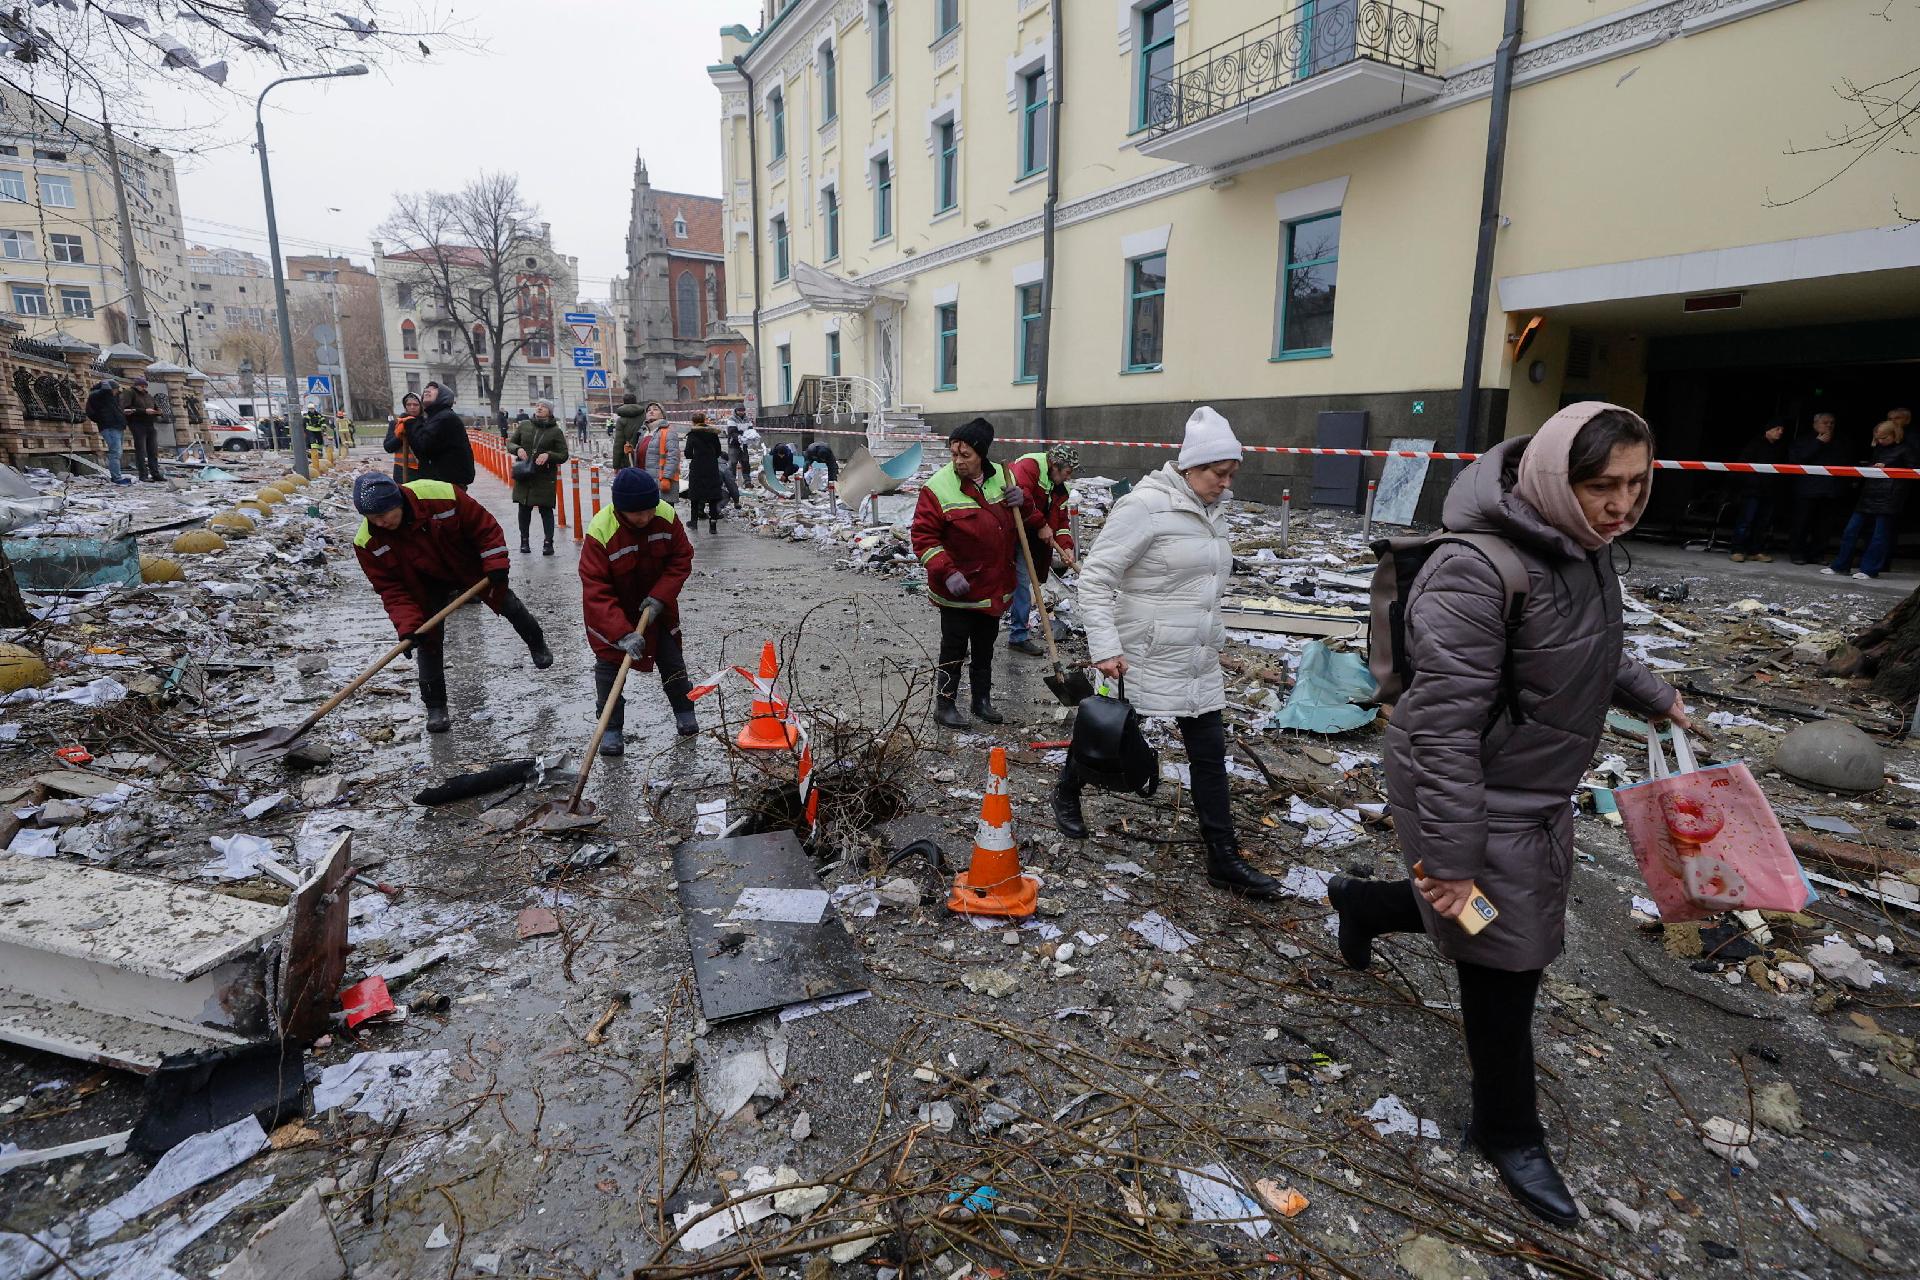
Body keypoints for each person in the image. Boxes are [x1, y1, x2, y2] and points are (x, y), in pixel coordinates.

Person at [1326, 401, 1689, 1227]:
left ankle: (1363, 902)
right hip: (1468, 794)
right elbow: (1437, 731)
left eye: (1637, 485)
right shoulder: (1476, 571)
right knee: (1504, 955)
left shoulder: (1584, 549)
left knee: (1485, 921)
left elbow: (1588, 644)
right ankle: (1505, 1130)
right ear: (1559, 480)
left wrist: (1656, 698)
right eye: (1603, 486)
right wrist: (1451, 857)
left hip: (1533, 788)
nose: (1622, 506)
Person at [1059, 407, 1280, 899]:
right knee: (1110, 733)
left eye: (1230, 475)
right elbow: (1096, 578)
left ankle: (1223, 857)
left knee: (1209, 756)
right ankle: (1067, 791)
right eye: (1218, 474)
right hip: (1140, 652)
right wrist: (1105, 647)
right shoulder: (1143, 507)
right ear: (1190, 467)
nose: (1226, 484)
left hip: (1197, 655)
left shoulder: (1213, 512)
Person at [351, 472, 552, 734]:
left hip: (465, 564)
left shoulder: (440, 494)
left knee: (507, 603)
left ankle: (537, 644)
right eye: (372, 518)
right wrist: (408, 627)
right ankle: (436, 708)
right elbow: (392, 590)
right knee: (426, 639)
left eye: (384, 514)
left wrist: (496, 565)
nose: (380, 522)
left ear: (397, 500)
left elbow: (485, 528)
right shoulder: (367, 541)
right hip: (422, 584)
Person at [578, 467, 700, 754]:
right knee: (609, 671)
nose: (645, 518)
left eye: (649, 510)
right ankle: (610, 728)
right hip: (612, 615)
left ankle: (685, 712)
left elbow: (681, 559)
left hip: (657, 610)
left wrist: (660, 597)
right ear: (621, 509)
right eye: (637, 513)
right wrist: (622, 633)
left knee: (672, 663)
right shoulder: (601, 531)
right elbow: (596, 590)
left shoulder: (665, 516)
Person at [910, 418, 1020, 729]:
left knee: (985, 648)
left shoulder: (1003, 477)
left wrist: (1021, 502)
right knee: (954, 649)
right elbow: (923, 537)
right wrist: (946, 571)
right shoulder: (937, 488)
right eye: (954, 454)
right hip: (957, 590)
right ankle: (944, 705)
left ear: (982, 455)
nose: (958, 461)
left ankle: (981, 701)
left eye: (965, 455)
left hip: (992, 585)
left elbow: (1020, 522)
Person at [1006, 444, 1081, 656]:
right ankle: (1009, 634)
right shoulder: (1029, 467)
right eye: (1067, 472)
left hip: (1029, 534)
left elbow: (1061, 520)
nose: (1068, 478)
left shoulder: (1059, 488)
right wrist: (1041, 525)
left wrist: (1066, 546)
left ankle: (1017, 634)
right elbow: (1022, 499)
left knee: (1022, 582)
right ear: (1055, 465)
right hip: (1010, 530)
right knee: (1012, 582)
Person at [1825, 419, 1914, 580]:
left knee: (1879, 535)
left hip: (1890, 497)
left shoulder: (1906, 450)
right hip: (1869, 494)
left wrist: (1888, 468)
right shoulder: (1879, 449)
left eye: (1884, 438)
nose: (1880, 441)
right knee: (1850, 531)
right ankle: (1841, 565)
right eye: (1878, 438)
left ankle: (1869, 569)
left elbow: (1912, 472)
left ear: (1895, 435)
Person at [509, 399, 570, 555]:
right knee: (524, 508)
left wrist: (548, 455)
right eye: (537, 405)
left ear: (549, 411)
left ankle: (548, 543)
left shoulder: (555, 431)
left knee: (546, 509)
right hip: (524, 474)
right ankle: (524, 542)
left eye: (543, 406)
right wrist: (517, 449)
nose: (539, 407)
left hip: (544, 476)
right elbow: (510, 443)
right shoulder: (524, 425)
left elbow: (563, 455)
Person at [1788, 412, 1847, 564]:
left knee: (1824, 526)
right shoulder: (1803, 440)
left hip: (1829, 490)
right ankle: (1797, 553)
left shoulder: (1839, 441)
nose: (1829, 426)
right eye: (1825, 422)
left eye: (1832, 423)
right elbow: (1797, 460)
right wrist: (1818, 443)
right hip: (1807, 490)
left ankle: (1817, 554)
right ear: (1815, 424)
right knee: (1801, 523)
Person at [1727, 419, 1787, 563]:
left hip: (1769, 492)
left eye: (1782, 429)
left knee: (1762, 523)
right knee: (1745, 522)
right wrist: (1753, 483)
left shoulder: (1780, 448)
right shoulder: (1754, 445)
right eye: (1777, 428)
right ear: (1768, 430)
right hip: (1753, 491)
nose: (1780, 432)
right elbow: (1742, 467)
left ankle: (1755, 550)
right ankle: (1737, 550)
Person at [408, 381, 476, 487]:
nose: (427, 390)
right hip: (441, 481)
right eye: (426, 388)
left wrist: (411, 423)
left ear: (444, 395)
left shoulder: (445, 417)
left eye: (434, 388)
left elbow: (422, 446)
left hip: (448, 483)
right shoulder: (434, 417)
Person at [681, 411, 726, 534]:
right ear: (705, 420)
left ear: (693, 422)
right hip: (711, 467)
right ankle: (713, 525)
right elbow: (718, 451)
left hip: (697, 467)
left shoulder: (692, 435)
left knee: (695, 496)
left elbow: (688, 453)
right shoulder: (713, 434)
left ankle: (694, 522)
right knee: (712, 496)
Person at [85, 376, 131, 486]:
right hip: (109, 427)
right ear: (110, 389)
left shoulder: (111, 398)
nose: (117, 392)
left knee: (117, 452)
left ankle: (117, 476)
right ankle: (116, 477)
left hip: (117, 426)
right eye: (115, 389)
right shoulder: (99, 395)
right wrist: (103, 420)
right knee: (115, 452)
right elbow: (92, 412)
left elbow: (113, 410)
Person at [121, 375, 163, 482]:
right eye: (142, 386)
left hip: (150, 424)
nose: (144, 388)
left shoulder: (148, 396)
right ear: (136, 385)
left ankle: (155, 473)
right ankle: (143, 475)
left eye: (145, 386)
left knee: (153, 450)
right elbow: (126, 409)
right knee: (141, 450)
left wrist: (158, 412)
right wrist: (144, 411)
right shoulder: (129, 393)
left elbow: (155, 407)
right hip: (137, 424)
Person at [640, 403, 681, 494]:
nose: (651, 411)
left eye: (655, 409)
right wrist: (632, 452)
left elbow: (673, 457)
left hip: (660, 481)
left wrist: (666, 478)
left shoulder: (668, 431)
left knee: (662, 508)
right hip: (644, 481)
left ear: (662, 414)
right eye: (649, 410)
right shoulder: (643, 432)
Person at [384, 392, 423, 484]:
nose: (412, 407)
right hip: (401, 470)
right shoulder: (396, 424)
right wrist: (400, 436)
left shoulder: (425, 424)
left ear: (421, 406)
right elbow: (388, 447)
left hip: (421, 471)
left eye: (416, 405)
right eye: (409, 405)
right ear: (405, 407)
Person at [610, 394, 651, 468]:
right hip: (646, 455)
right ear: (636, 402)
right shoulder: (646, 417)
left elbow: (618, 444)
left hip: (628, 457)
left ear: (624, 402)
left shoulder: (621, 420)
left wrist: (616, 465)